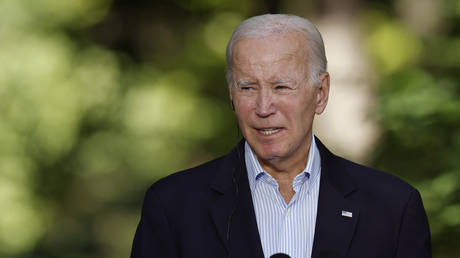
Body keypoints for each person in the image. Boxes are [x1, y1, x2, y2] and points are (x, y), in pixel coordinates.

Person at [131, 14, 432, 258]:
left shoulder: (393, 208)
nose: (263, 107)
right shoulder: (173, 207)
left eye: (281, 87)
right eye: (248, 87)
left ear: (320, 94)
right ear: (232, 95)